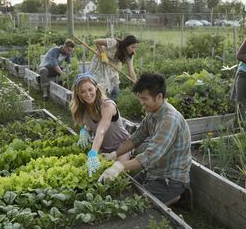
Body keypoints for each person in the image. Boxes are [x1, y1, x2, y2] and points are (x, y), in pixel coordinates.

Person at [98, 73, 192, 207]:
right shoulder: (153, 113)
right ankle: (169, 196)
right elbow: (136, 138)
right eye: (139, 98)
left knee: (137, 205)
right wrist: (114, 154)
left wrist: (120, 166)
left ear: (159, 97)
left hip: (170, 178)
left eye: (144, 98)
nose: (141, 103)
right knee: (127, 189)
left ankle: (178, 196)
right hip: (154, 171)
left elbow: (150, 156)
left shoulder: (169, 120)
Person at [69, 72, 131, 176]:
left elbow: (101, 131)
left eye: (90, 89)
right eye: (83, 92)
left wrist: (93, 153)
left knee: (114, 174)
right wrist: (85, 129)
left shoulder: (107, 105)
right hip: (104, 149)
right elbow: (91, 124)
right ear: (78, 93)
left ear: (96, 88)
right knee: (89, 173)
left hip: (121, 147)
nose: (88, 94)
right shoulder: (83, 107)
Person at [89, 35, 138, 101]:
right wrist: (103, 55)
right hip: (100, 63)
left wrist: (136, 84)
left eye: (135, 48)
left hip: (111, 67)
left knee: (115, 88)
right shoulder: (114, 43)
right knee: (101, 87)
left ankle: (112, 106)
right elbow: (97, 42)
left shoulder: (129, 56)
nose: (134, 50)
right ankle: (100, 103)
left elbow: (131, 71)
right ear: (126, 45)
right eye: (132, 47)